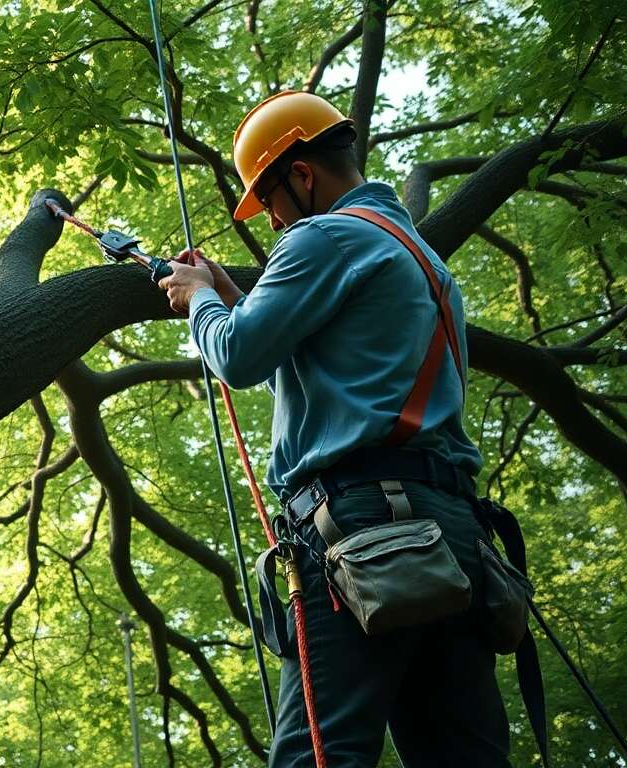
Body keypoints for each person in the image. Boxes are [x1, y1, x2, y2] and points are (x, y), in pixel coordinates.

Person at [157, 91, 510, 767]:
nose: (274, 219)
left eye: (269, 202)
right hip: (453, 535)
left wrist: (200, 299)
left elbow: (235, 356)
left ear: (301, 175)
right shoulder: (422, 259)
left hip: (363, 535)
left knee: (320, 756)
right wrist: (235, 300)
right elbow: (330, 352)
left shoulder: (321, 236)